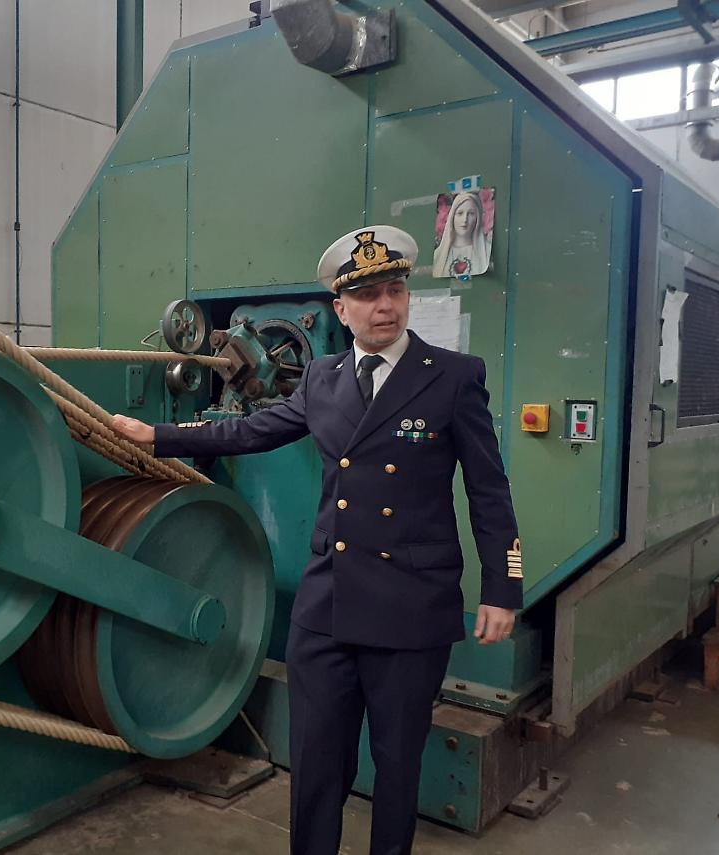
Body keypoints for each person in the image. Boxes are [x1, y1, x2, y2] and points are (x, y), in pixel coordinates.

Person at [111, 225, 521, 855]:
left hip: (411, 608)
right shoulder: (323, 378)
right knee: (318, 767)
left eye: (394, 289)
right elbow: (248, 433)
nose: (384, 305)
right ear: (341, 309)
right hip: (326, 609)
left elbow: (490, 491)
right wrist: (156, 436)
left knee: (397, 768)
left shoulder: (452, 378)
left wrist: (503, 586)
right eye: (367, 296)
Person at [431, 192, 490, 279]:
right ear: (452, 217)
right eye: (460, 213)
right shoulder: (438, 255)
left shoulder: (487, 252)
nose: (465, 219)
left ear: (477, 218)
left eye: (471, 214)